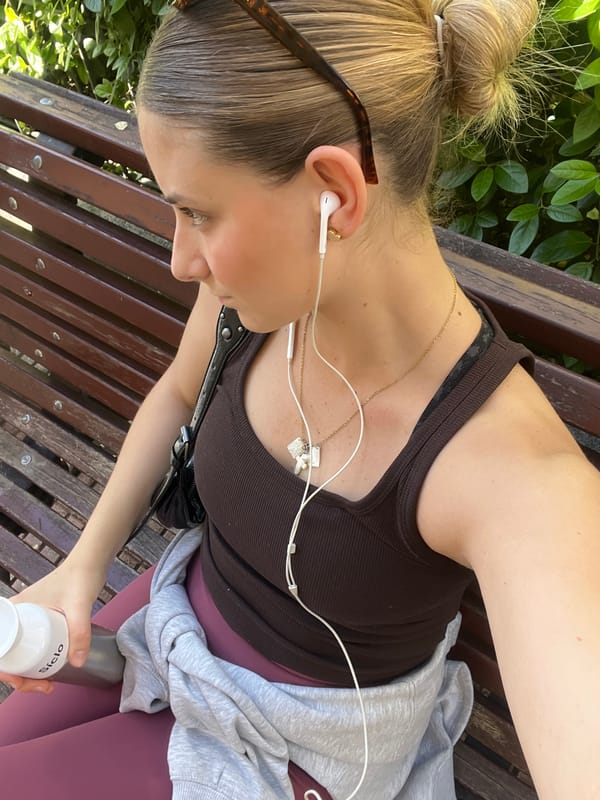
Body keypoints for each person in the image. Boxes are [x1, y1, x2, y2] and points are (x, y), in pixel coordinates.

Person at [1, 0, 599, 798]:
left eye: (196, 212)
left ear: (334, 195)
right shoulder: (256, 295)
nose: (182, 260)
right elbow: (178, 394)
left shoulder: (512, 474)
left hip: (297, 746)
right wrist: (83, 566)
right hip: (175, 628)